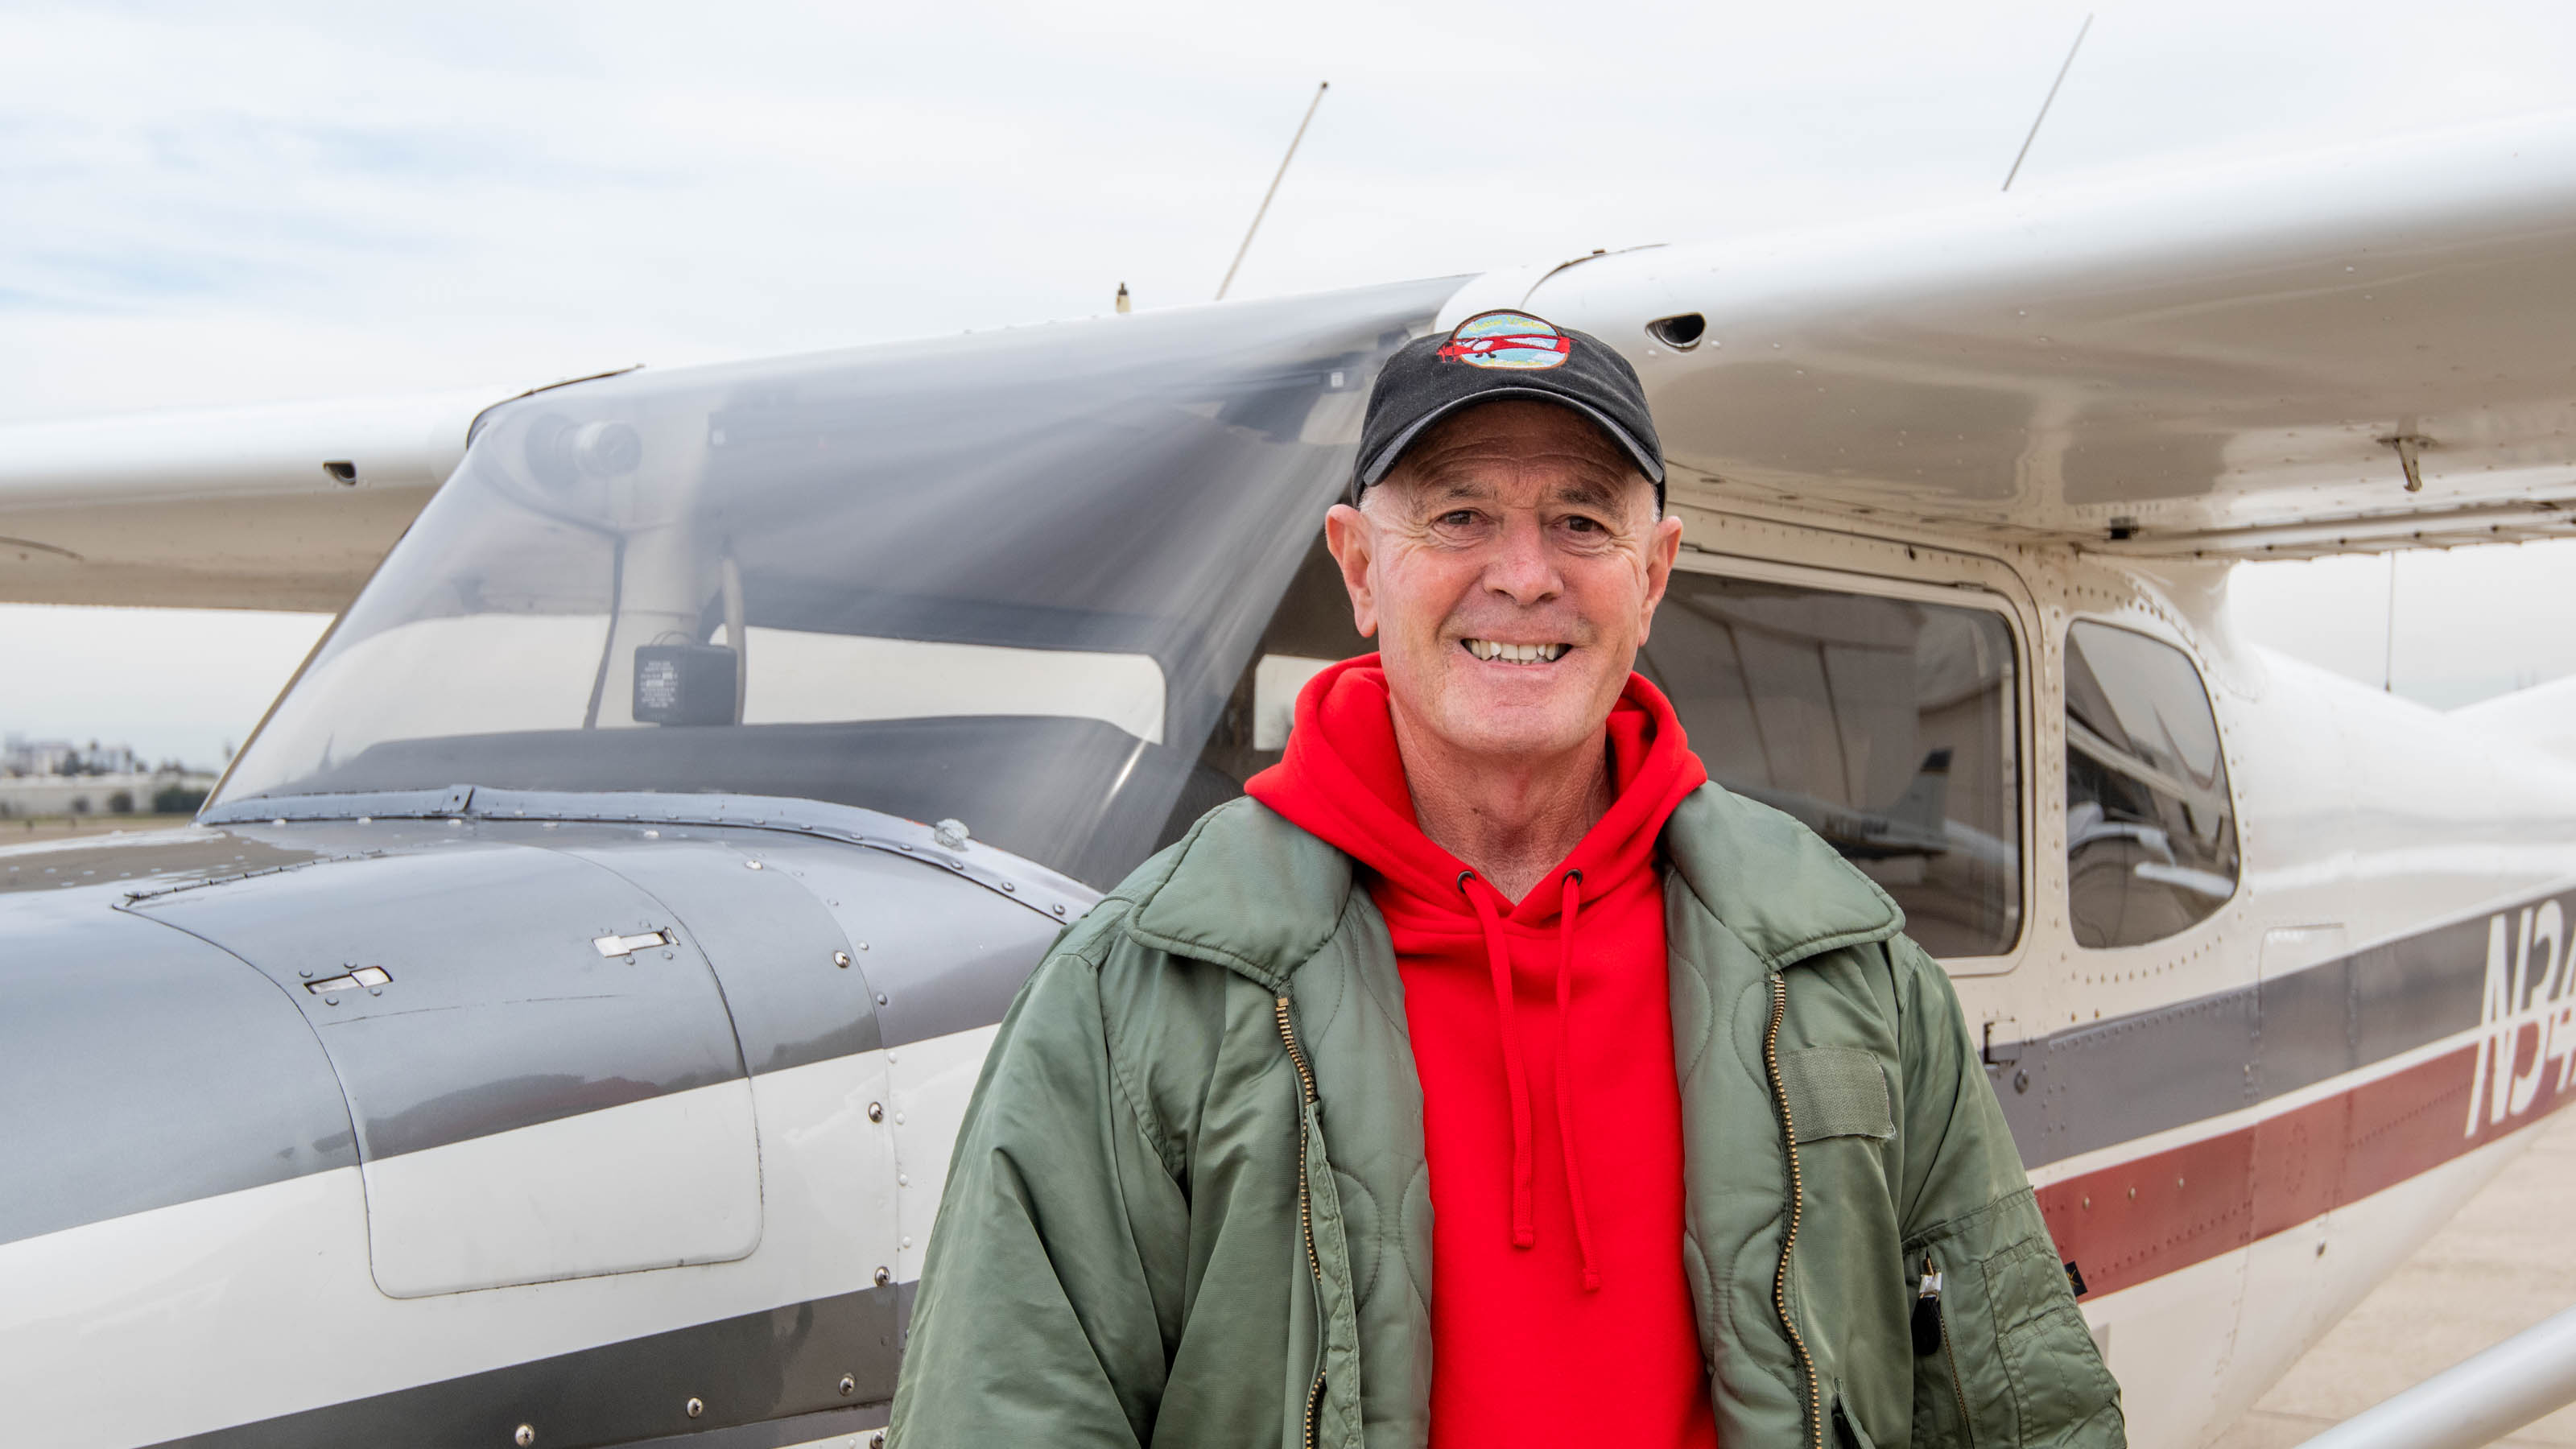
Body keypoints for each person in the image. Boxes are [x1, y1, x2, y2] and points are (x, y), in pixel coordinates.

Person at [889, 310, 2121, 1448]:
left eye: (1583, 520)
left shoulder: (1847, 965)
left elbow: (2021, 1400)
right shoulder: (1136, 990)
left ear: (1654, 571)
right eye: (1459, 515)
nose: (1524, 575)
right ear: (1361, 567)